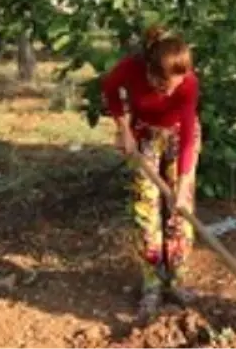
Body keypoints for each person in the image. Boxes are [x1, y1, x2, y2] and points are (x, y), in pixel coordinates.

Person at [101, 26, 201, 322]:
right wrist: (123, 130)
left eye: (177, 83)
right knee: (146, 210)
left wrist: (183, 185)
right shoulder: (130, 70)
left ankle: (178, 280)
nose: (171, 91)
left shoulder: (188, 84)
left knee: (180, 211)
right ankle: (152, 284)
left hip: (181, 136)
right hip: (144, 135)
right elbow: (109, 90)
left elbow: (186, 140)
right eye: (163, 86)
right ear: (149, 71)